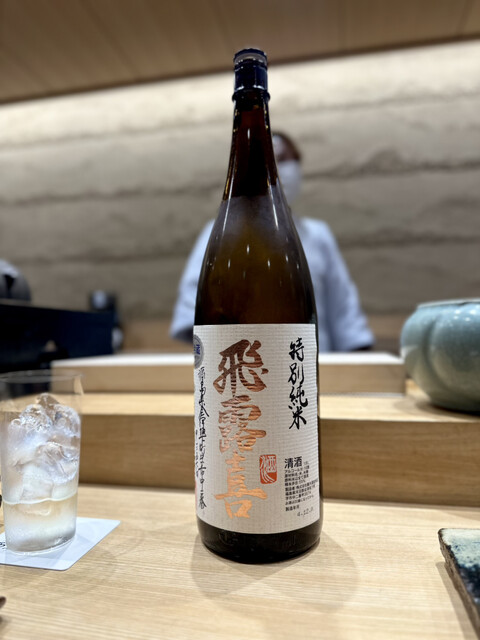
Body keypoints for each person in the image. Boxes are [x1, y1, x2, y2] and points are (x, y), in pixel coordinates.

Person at [170, 132, 374, 352]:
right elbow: (193, 310)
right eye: (265, 159)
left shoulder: (318, 234)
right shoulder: (218, 232)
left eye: (284, 159)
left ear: (298, 165)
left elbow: (345, 311)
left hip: (309, 364)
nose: (275, 167)